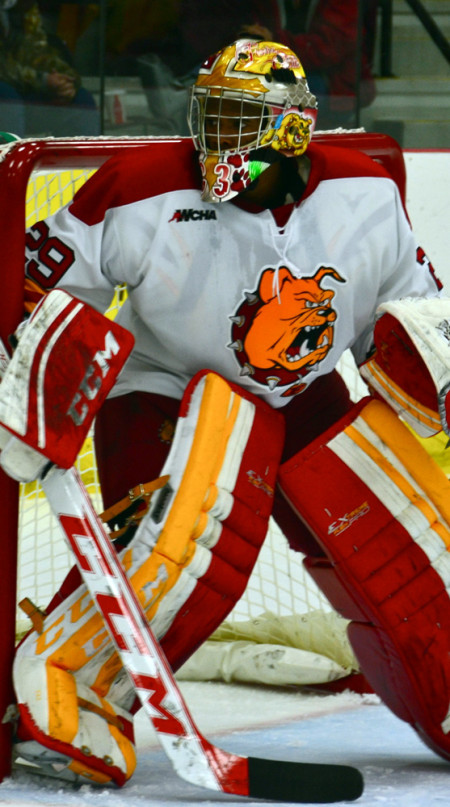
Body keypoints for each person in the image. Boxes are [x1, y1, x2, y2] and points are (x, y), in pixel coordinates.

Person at [6, 38, 450, 787]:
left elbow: (411, 315)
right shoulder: (137, 187)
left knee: (401, 537)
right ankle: (61, 691)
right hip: (163, 387)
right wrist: (34, 367)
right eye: (212, 116)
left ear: (291, 129)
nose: (218, 137)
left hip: (304, 391)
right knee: (178, 547)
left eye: (240, 119)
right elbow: (35, 285)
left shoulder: (366, 191)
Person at [0, 0, 99, 136]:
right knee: (7, 95)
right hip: (10, 92)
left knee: (81, 99)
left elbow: (39, 52)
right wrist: (43, 80)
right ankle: (9, 155)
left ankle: (78, 156)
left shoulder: (23, 8)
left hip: (23, 89)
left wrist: (65, 80)